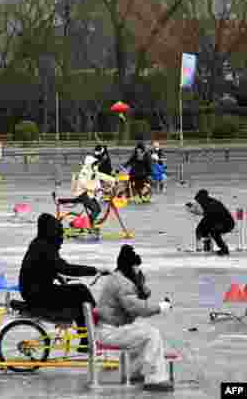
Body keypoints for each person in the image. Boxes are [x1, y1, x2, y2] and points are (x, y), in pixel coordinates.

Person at [94, 245, 174, 392]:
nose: (138, 270)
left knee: (148, 333)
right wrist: (160, 307)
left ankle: (137, 372)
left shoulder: (119, 278)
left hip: (111, 328)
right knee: (152, 335)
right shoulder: (122, 283)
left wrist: (140, 283)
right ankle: (154, 379)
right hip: (110, 332)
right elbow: (137, 307)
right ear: (129, 266)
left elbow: (142, 295)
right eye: (136, 266)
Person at [19, 213, 105, 349]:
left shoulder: (39, 243)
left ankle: (86, 339)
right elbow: (64, 267)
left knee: (78, 293)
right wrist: (94, 270)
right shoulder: (45, 247)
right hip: (38, 294)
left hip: (34, 290)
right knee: (81, 291)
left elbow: (44, 268)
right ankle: (95, 332)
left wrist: (60, 277)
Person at [55, 155, 104, 225]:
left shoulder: (90, 170)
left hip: (86, 193)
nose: (95, 165)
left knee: (95, 209)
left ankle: (60, 200)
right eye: (94, 164)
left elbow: (97, 178)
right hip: (83, 193)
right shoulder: (84, 172)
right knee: (96, 210)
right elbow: (84, 184)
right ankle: (88, 223)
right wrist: (96, 189)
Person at [194, 189, 235, 256]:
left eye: (199, 201)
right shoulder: (207, 203)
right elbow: (205, 220)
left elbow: (211, 217)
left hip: (227, 223)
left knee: (214, 232)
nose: (199, 203)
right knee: (205, 228)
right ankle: (207, 247)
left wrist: (200, 229)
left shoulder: (212, 204)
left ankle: (224, 249)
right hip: (219, 222)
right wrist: (199, 230)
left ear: (203, 199)